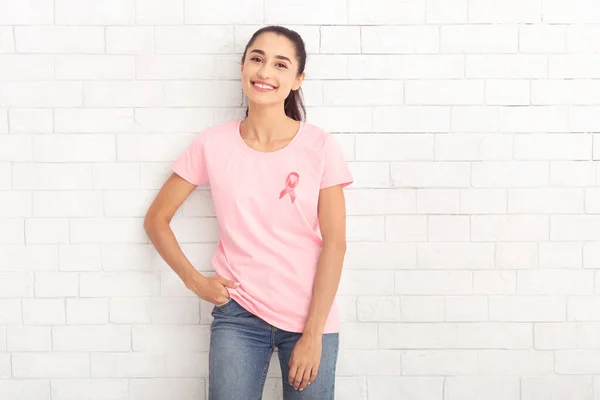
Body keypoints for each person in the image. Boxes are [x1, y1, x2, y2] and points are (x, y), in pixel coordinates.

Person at [144, 25, 353, 400]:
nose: (264, 72)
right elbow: (157, 219)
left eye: (280, 64)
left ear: (297, 79)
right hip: (239, 316)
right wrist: (195, 281)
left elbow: (335, 244)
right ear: (243, 66)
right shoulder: (213, 143)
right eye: (256, 59)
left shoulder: (319, 146)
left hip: (310, 315)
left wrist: (313, 333)